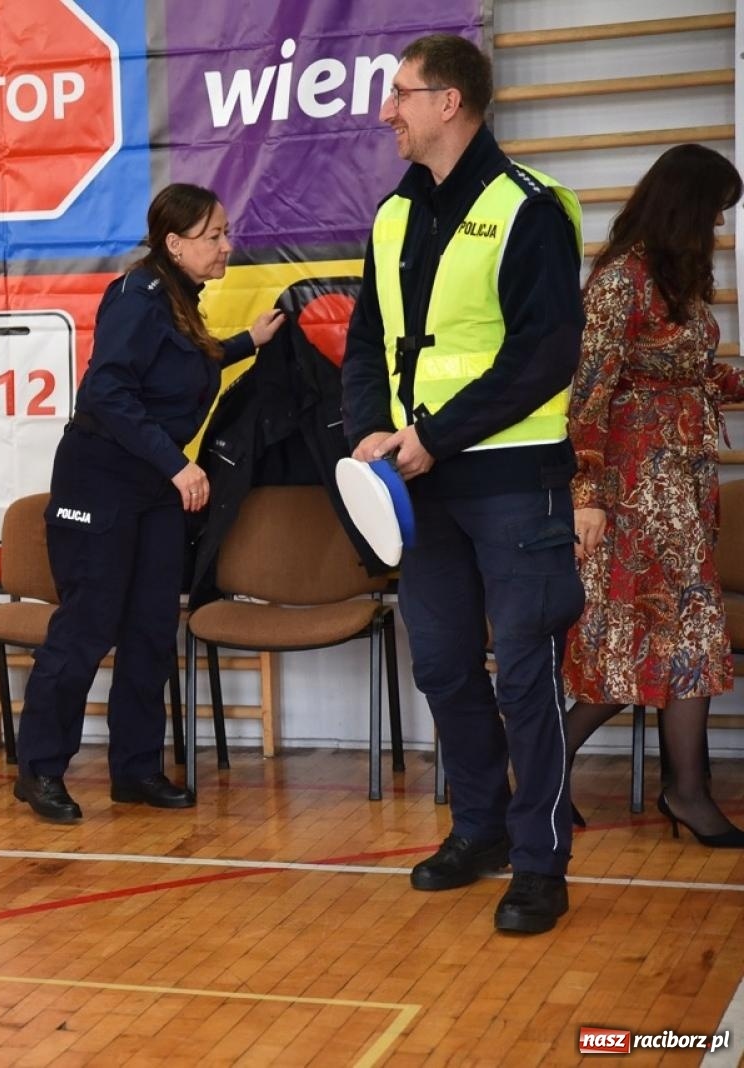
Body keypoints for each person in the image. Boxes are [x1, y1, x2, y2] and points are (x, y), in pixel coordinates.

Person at [340, 34, 586, 934]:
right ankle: (477, 828)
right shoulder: (393, 216)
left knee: (526, 676)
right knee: (443, 666)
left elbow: (546, 356)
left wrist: (432, 437)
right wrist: (370, 428)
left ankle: (540, 859)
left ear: (449, 102)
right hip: (417, 485)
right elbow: (367, 341)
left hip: (512, 480)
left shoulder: (530, 209)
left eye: (400, 94)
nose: (386, 111)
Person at [13, 183, 284, 822]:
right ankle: (40, 770)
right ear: (174, 243)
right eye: (213, 235)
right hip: (101, 481)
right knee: (84, 631)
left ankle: (135, 770)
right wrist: (178, 465)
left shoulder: (181, 301)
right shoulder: (137, 298)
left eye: (224, 231)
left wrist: (248, 342)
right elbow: (108, 394)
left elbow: (184, 365)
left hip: (153, 488)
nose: (226, 245)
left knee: (151, 632)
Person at [562, 145, 744, 847]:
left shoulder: (676, 283)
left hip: (683, 492)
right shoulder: (621, 282)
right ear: (685, 209)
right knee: (633, 649)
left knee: (686, 640)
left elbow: (690, 374)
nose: (719, 230)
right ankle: (550, 763)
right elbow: (588, 396)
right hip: (634, 493)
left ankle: (684, 791)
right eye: (715, 215)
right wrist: (589, 498)